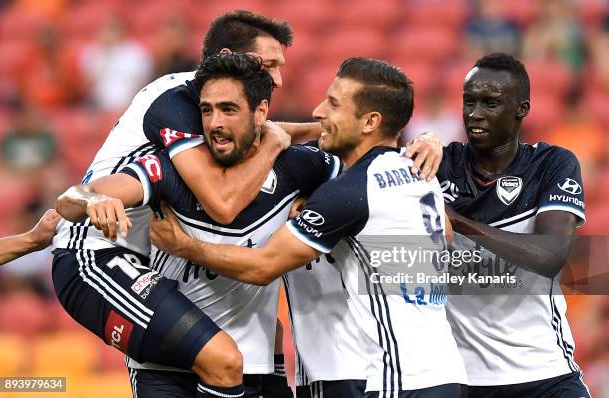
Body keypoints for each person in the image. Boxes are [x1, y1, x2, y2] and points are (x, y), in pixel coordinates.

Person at [150, 57, 468, 398]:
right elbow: (444, 236)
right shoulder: (420, 174)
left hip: (395, 381)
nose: (318, 112)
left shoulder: (352, 192)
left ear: (370, 122)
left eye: (333, 104)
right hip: (446, 371)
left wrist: (186, 246)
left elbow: (261, 266)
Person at [58, 52, 343, 397]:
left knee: (229, 361)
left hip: (253, 358)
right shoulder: (173, 169)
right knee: (223, 360)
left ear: (261, 113)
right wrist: (93, 201)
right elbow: (73, 198)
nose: (214, 123)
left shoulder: (298, 167)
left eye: (228, 110)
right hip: (170, 365)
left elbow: (371, 163)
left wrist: (423, 144)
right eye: (207, 110)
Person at [437, 53, 591, 398]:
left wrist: (459, 222)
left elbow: (550, 255)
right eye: (469, 102)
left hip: (545, 372)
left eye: (490, 103)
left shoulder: (550, 164)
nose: (474, 114)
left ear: (522, 109)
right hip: (464, 378)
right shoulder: (441, 166)